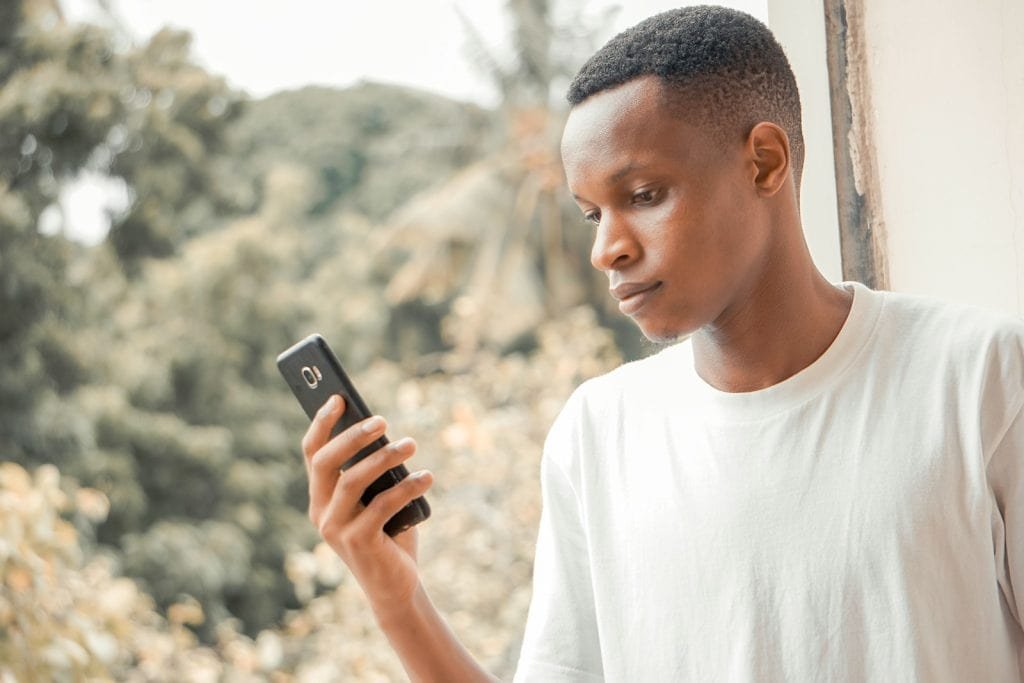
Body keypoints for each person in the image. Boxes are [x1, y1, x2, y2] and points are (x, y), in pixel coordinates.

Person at [299, 6, 1024, 681]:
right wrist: (394, 595)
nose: (606, 249)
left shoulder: (979, 379)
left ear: (764, 162)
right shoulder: (597, 435)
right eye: (591, 214)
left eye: (643, 195)